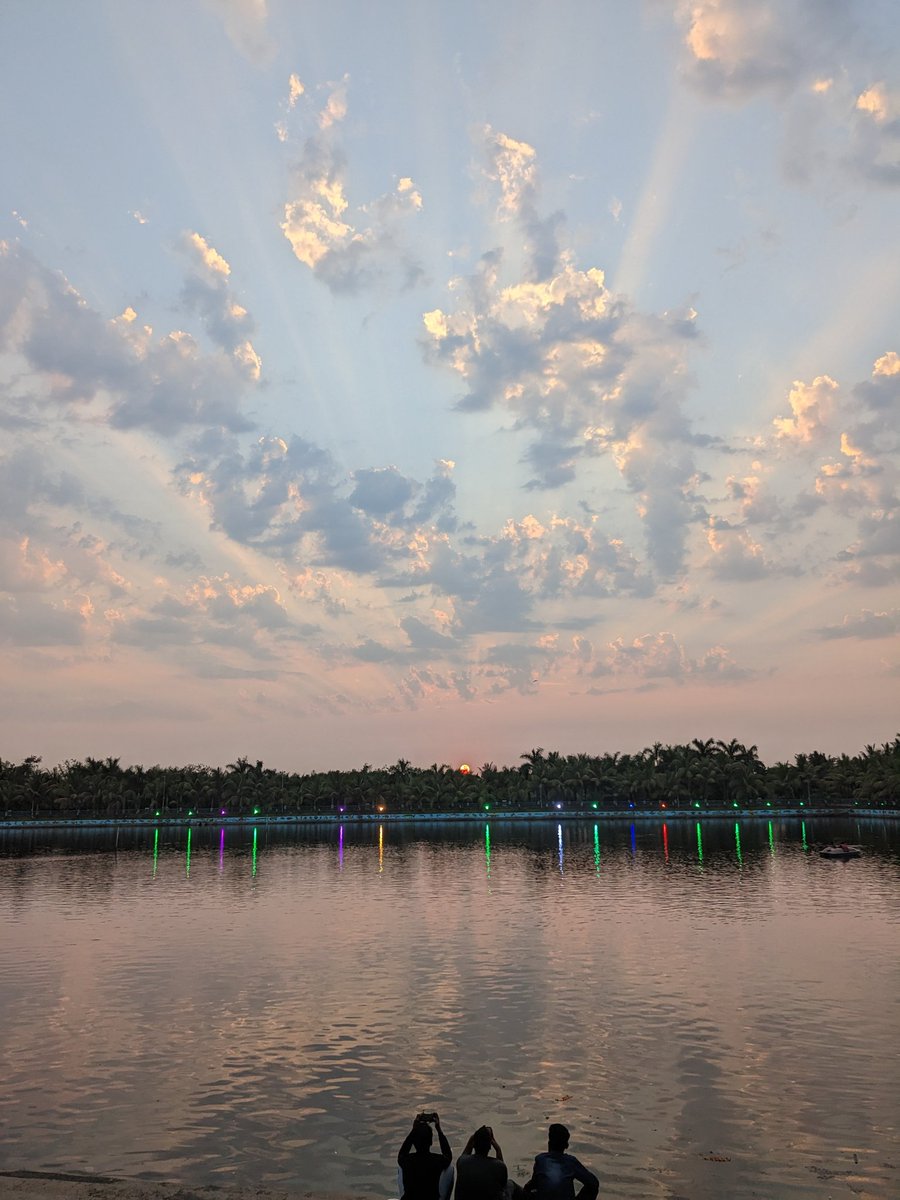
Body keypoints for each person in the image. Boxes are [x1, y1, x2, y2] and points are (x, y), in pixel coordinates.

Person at [523, 1123, 598, 1200]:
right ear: (566, 1145)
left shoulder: (540, 1159)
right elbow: (593, 1183)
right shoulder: (571, 1162)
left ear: (549, 1143)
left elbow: (533, 1184)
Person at [397, 1111, 454, 1200]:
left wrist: (414, 1129)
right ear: (431, 1142)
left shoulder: (407, 1160)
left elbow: (401, 1154)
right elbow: (448, 1155)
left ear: (414, 1143)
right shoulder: (437, 1161)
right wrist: (438, 1129)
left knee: (400, 1167)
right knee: (449, 1168)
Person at [455, 1124, 508, 1200]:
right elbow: (503, 1183)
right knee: (510, 1185)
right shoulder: (499, 1166)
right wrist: (498, 1149)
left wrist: (473, 1138)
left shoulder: (462, 1162)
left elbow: (466, 1153)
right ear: (490, 1146)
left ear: (474, 1144)